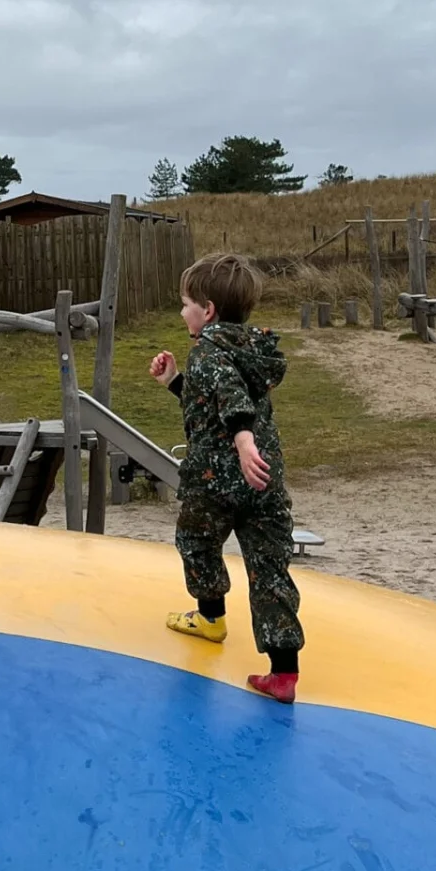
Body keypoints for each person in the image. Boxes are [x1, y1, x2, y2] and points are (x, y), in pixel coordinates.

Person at [149, 252, 304, 704]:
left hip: (217, 480)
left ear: (208, 310)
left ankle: (211, 617)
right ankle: (284, 671)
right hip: (264, 481)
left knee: (196, 542)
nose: (182, 312)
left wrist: (242, 440)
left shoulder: (209, 351)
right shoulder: (254, 350)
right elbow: (213, 398)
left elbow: (229, 397)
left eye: (185, 304)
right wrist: (176, 382)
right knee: (270, 567)